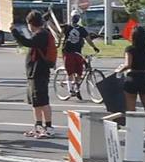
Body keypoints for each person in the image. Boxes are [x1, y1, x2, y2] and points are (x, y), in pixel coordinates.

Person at [11, 11, 54, 139]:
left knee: (43, 100)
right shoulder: (40, 34)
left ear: (31, 23)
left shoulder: (41, 35)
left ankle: (49, 128)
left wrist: (14, 32)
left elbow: (27, 42)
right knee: (36, 102)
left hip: (39, 72)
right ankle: (38, 126)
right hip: (34, 72)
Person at [115, 26, 145, 149]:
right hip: (144, 78)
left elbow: (128, 65)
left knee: (131, 110)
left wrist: (118, 70)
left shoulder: (130, 49)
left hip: (132, 78)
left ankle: (133, 135)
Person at [62, 12, 100, 100]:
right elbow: (59, 33)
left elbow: (88, 39)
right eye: (74, 17)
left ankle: (76, 88)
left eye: (77, 17)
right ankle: (70, 89)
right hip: (68, 52)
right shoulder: (67, 27)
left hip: (77, 52)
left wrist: (94, 47)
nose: (75, 19)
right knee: (70, 72)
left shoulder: (81, 29)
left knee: (79, 71)